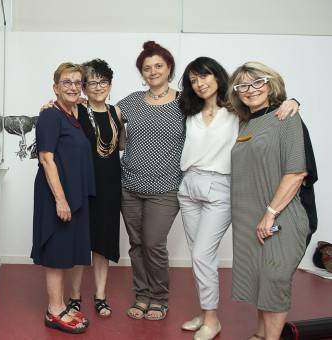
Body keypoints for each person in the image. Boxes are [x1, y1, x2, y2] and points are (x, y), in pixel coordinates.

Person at [177, 57, 300, 340]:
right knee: (199, 258)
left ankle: (212, 321)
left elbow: (266, 107)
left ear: (218, 77)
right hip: (189, 186)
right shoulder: (188, 111)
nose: (199, 84)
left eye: (204, 76)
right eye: (193, 80)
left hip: (221, 187)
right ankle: (207, 314)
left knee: (201, 255)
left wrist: (293, 101)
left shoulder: (237, 110)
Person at [228, 61, 310, 340]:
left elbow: (297, 171)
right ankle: (261, 334)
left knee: (275, 279)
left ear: (270, 83)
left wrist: (271, 212)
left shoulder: (286, 116)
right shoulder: (245, 122)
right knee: (260, 277)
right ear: (237, 92)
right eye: (243, 86)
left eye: (258, 82)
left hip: (280, 215)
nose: (251, 90)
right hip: (250, 216)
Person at [116, 41, 183, 322]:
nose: (153, 71)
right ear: (141, 73)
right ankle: (141, 295)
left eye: (158, 66)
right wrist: (58, 106)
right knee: (136, 243)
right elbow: (99, 118)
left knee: (153, 243)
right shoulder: (132, 100)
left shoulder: (185, 102)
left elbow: (220, 114)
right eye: (147, 68)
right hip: (129, 185)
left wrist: (290, 101)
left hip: (165, 188)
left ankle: (159, 297)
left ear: (169, 68)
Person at [31, 62, 95, 334]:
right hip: (56, 196)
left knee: (67, 251)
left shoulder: (72, 114)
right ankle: (54, 311)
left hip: (73, 195)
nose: (72, 87)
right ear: (55, 87)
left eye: (77, 82)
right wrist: (60, 199)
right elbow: (47, 159)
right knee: (57, 253)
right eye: (66, 82)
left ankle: (59, 305)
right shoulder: (50, 116)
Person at [65, 59, 124, 320]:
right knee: (80, 242)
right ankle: (75, 297)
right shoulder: (76, 110)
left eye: (103, 82)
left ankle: (100, 295)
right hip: (83, 185)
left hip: (110, 184)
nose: (98, 87)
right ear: (84, 87)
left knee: (103, 244)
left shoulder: (116, 112)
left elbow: (120, 145)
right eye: (92, 82)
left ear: (110, 85)